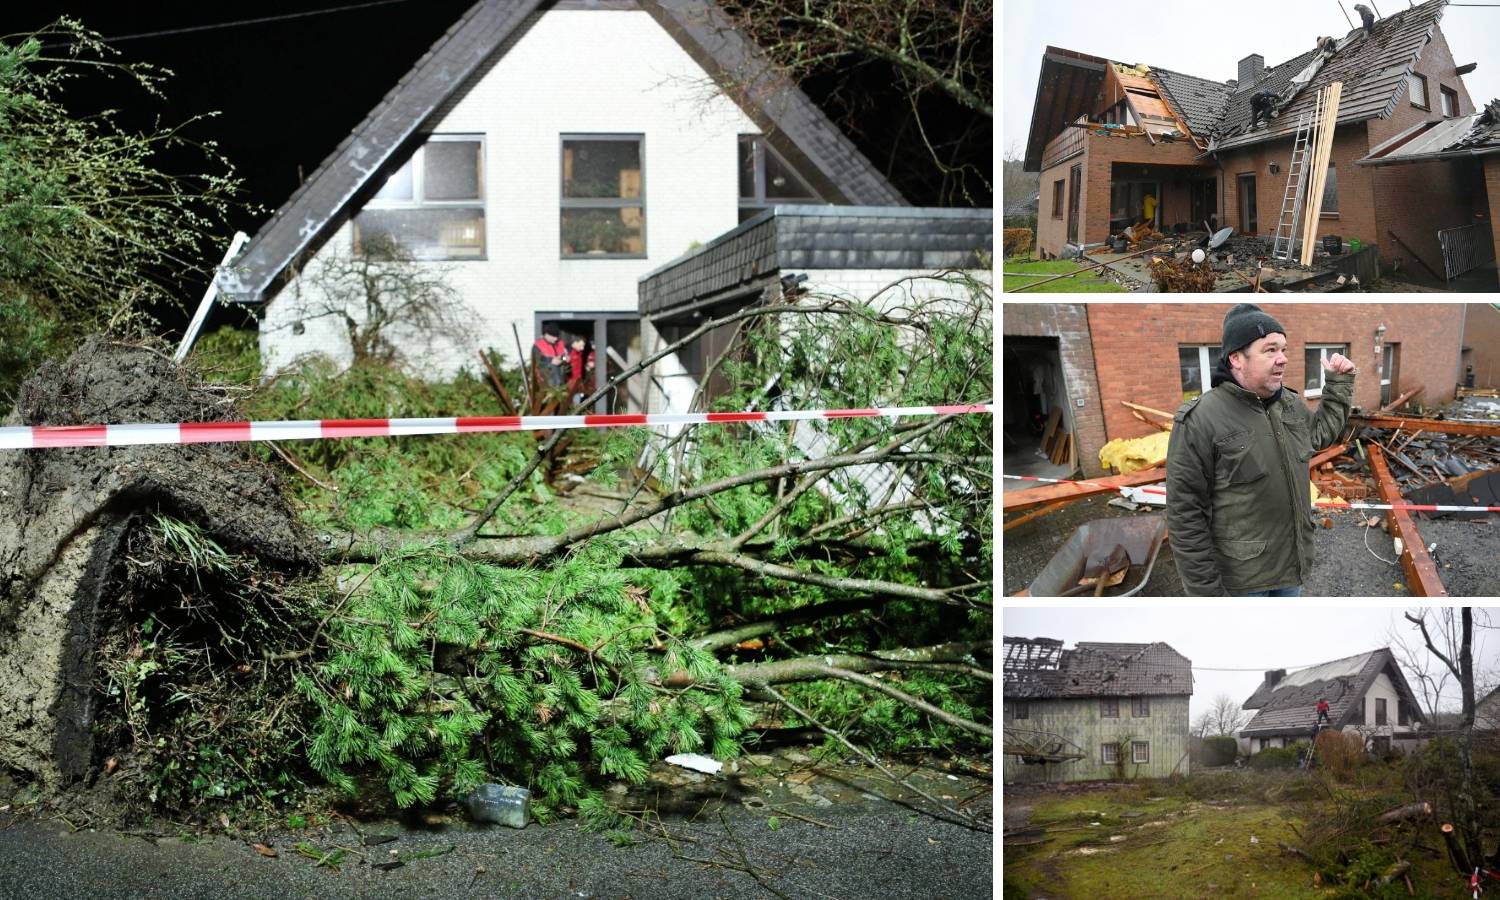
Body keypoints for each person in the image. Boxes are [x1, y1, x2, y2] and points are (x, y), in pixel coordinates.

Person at [1165, 304, 1356, 596]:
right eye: (1270, 350)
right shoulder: (1201, 419)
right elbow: (1185, 515)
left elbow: (1319, 436)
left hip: (1292, 569)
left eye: (1283, 349)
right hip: (1243, 583)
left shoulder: (1289, 404)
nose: (1283, 359)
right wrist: (1207, 596)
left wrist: (1338, 384)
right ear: (1236, 359)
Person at [565, 335, 596, 403]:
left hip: (578, 382)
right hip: (570, 383)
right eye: (581, 345)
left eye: (583, 346)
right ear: (575, 343)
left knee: (577, 401)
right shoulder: (567, 352)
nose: (582, 348)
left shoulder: (579, 353)